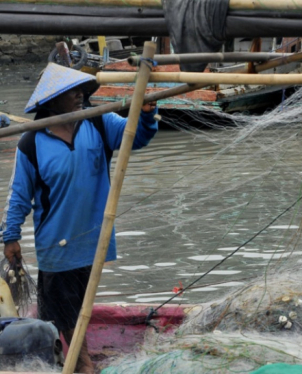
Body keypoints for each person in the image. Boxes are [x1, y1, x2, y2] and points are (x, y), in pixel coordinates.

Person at [1, 63, 159, 373]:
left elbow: (135, 137)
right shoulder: (31, 143)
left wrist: (146, 114)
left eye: (81, 91)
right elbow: (20, 195)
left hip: (92, 241)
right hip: (56, 246)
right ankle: (83, 365)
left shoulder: (98, 123)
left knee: (76, 310)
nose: (79, 96)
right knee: (63, 313)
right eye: (71, 92)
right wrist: (11, 237)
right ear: (52, 100)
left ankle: (80, 365)